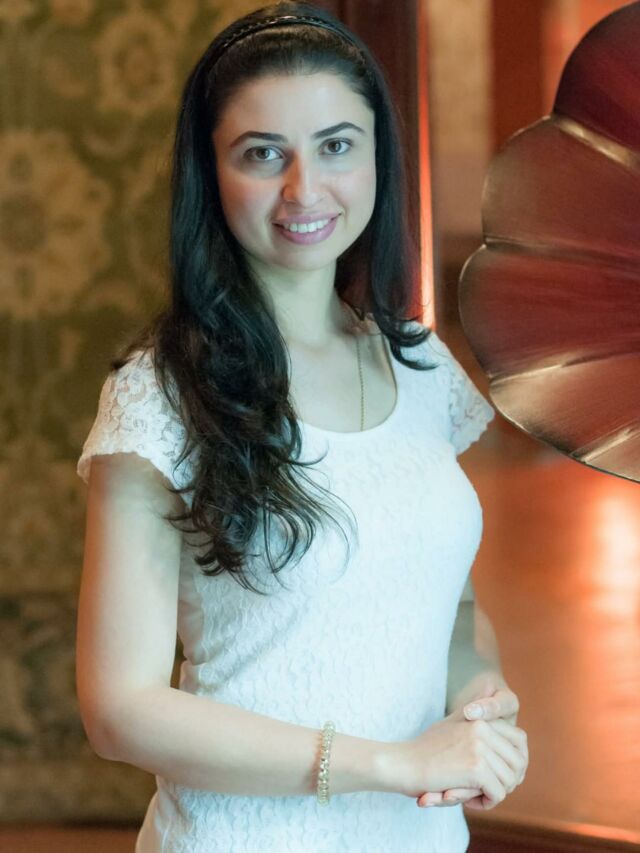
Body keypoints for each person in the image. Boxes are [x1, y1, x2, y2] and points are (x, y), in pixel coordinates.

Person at [75, 2, 529, 850]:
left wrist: (481, 701)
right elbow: (119, 707)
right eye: (262, 154)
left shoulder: (423, 368)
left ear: (378, 156)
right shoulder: (159, 396)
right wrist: (390, 762)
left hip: (417, 836)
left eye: (336, 145)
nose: (304, 189)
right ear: (210, 174)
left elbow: (454, 604)